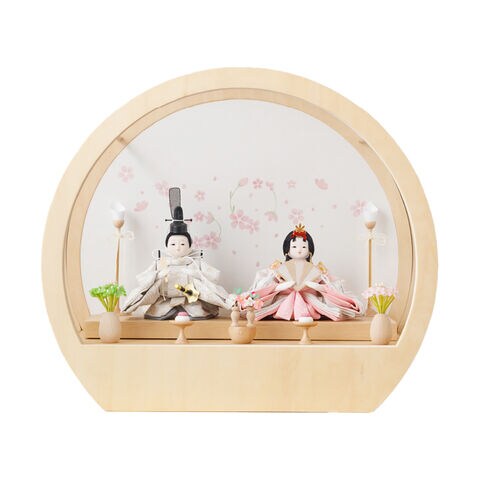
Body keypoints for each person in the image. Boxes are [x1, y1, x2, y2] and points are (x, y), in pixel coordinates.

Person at [122, 188, 234, 319]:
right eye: (173, 244)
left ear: (189, 246)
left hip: (191, 299)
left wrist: (195, 273)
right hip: (165, 300)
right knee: (153, 299)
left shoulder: (193, 261)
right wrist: (158, 275)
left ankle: (232, 304)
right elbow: (145, 280)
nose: (178, 248)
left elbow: (211, 278)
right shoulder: (162, 261)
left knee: (202, 303)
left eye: (182, 244)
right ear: (166, 246)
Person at [245, 224, 364, 321]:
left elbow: (332, 287)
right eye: (294, 247)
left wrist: (319, 287)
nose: (299, 250)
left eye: (303, 247)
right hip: (283, 301)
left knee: (328, 306)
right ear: (287, 251)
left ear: (309, 251)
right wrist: (278, 287)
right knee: (258, 303)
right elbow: (264, 286)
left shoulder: (319, 270)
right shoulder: (277, 268)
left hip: (310, 301)